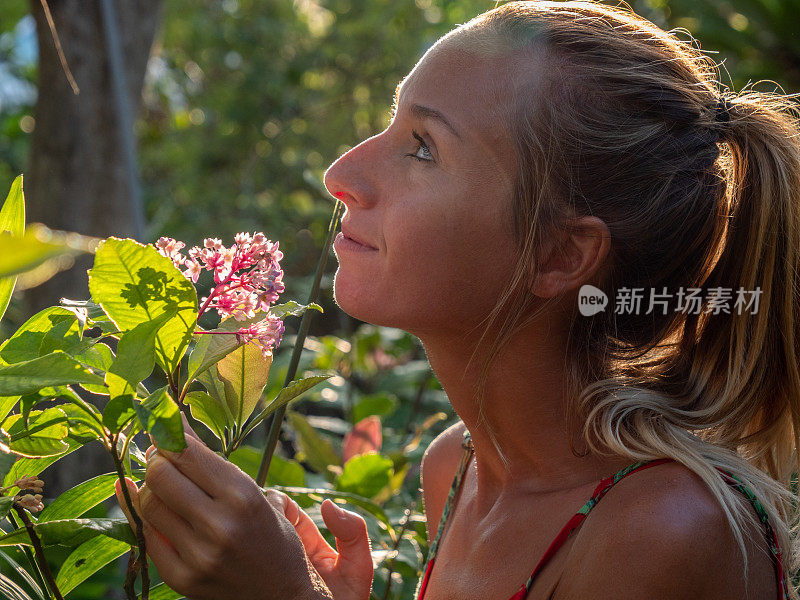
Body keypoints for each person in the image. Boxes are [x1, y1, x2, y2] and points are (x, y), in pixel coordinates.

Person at [115, 1, 800, 598]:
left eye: (422, 148)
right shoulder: (459, 467)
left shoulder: (666, 530)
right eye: (391, 121)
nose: (341, 173)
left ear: (560, 254)